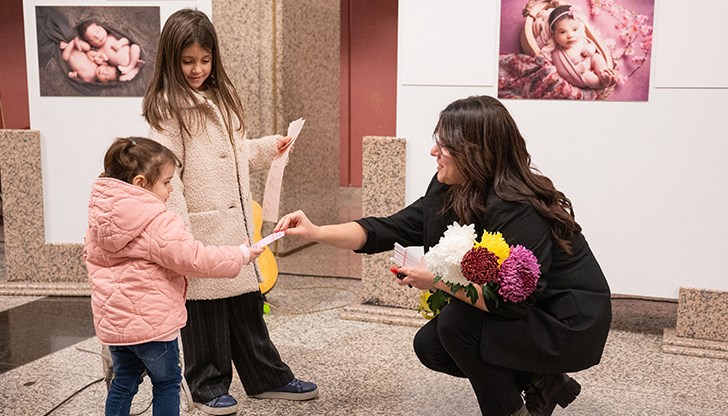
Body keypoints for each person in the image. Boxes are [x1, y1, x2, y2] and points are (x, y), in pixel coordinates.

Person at [276, 95, 612, 416]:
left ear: (477, 153)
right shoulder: (450, 189)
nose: (433, 151)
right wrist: (316, 231)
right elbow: (385, 229)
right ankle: (542, 381)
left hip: (565, 321)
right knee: (431, 345)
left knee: (456, 324)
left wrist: (437, 280)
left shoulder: (517, 207)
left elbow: (512, 302)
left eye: (446, 146)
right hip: (527, 314)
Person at [141, 8, 318, 415]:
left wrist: (270, 146)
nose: (197, 69)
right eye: (187, 61)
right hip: (200, 230)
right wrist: (181, 234)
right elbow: (170, 178)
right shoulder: (168, 110)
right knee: (205, 312)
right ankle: (206, 385)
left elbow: (234, 155)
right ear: (171, 59)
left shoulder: (220, 97)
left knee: (246, 306)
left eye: (204, 60)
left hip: (234, 224)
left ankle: (266, 376)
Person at [83, 137, 264, 416]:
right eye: (167, 182)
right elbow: (194, 258)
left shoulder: (100, 220)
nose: (170, 189)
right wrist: (239, 255)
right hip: (154, 328)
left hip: (117, 328)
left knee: (124, 382)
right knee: (166, 383)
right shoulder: (157, 221)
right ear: (141, 183)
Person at [544, 5, 616, 89]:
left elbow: (593, 45)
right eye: (563, 32)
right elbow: (563, 71)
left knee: (597, 57)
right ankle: (601, 85)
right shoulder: (558, 53)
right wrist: (577, 69)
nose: (570, 35)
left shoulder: (581, 39)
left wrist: (591, 48)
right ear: (554, 34)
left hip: (590, 60)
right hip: (580, 71)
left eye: (575, 30)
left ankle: (604, 74)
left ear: (580, 27)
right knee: (590, 78)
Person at [78, 19, 143, 79]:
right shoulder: (99, 51)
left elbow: (128, 40)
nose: (98, 37)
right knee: (121, 79)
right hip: (122, 69)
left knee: (135, 47)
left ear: (101, 27)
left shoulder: (112, 35)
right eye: (93, 39)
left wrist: (120, 43)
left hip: (132, 55)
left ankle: (131, 66)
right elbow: (104, 63)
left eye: (98, 31)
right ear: (90, 43)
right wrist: (101, 60)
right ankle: (136, 69)